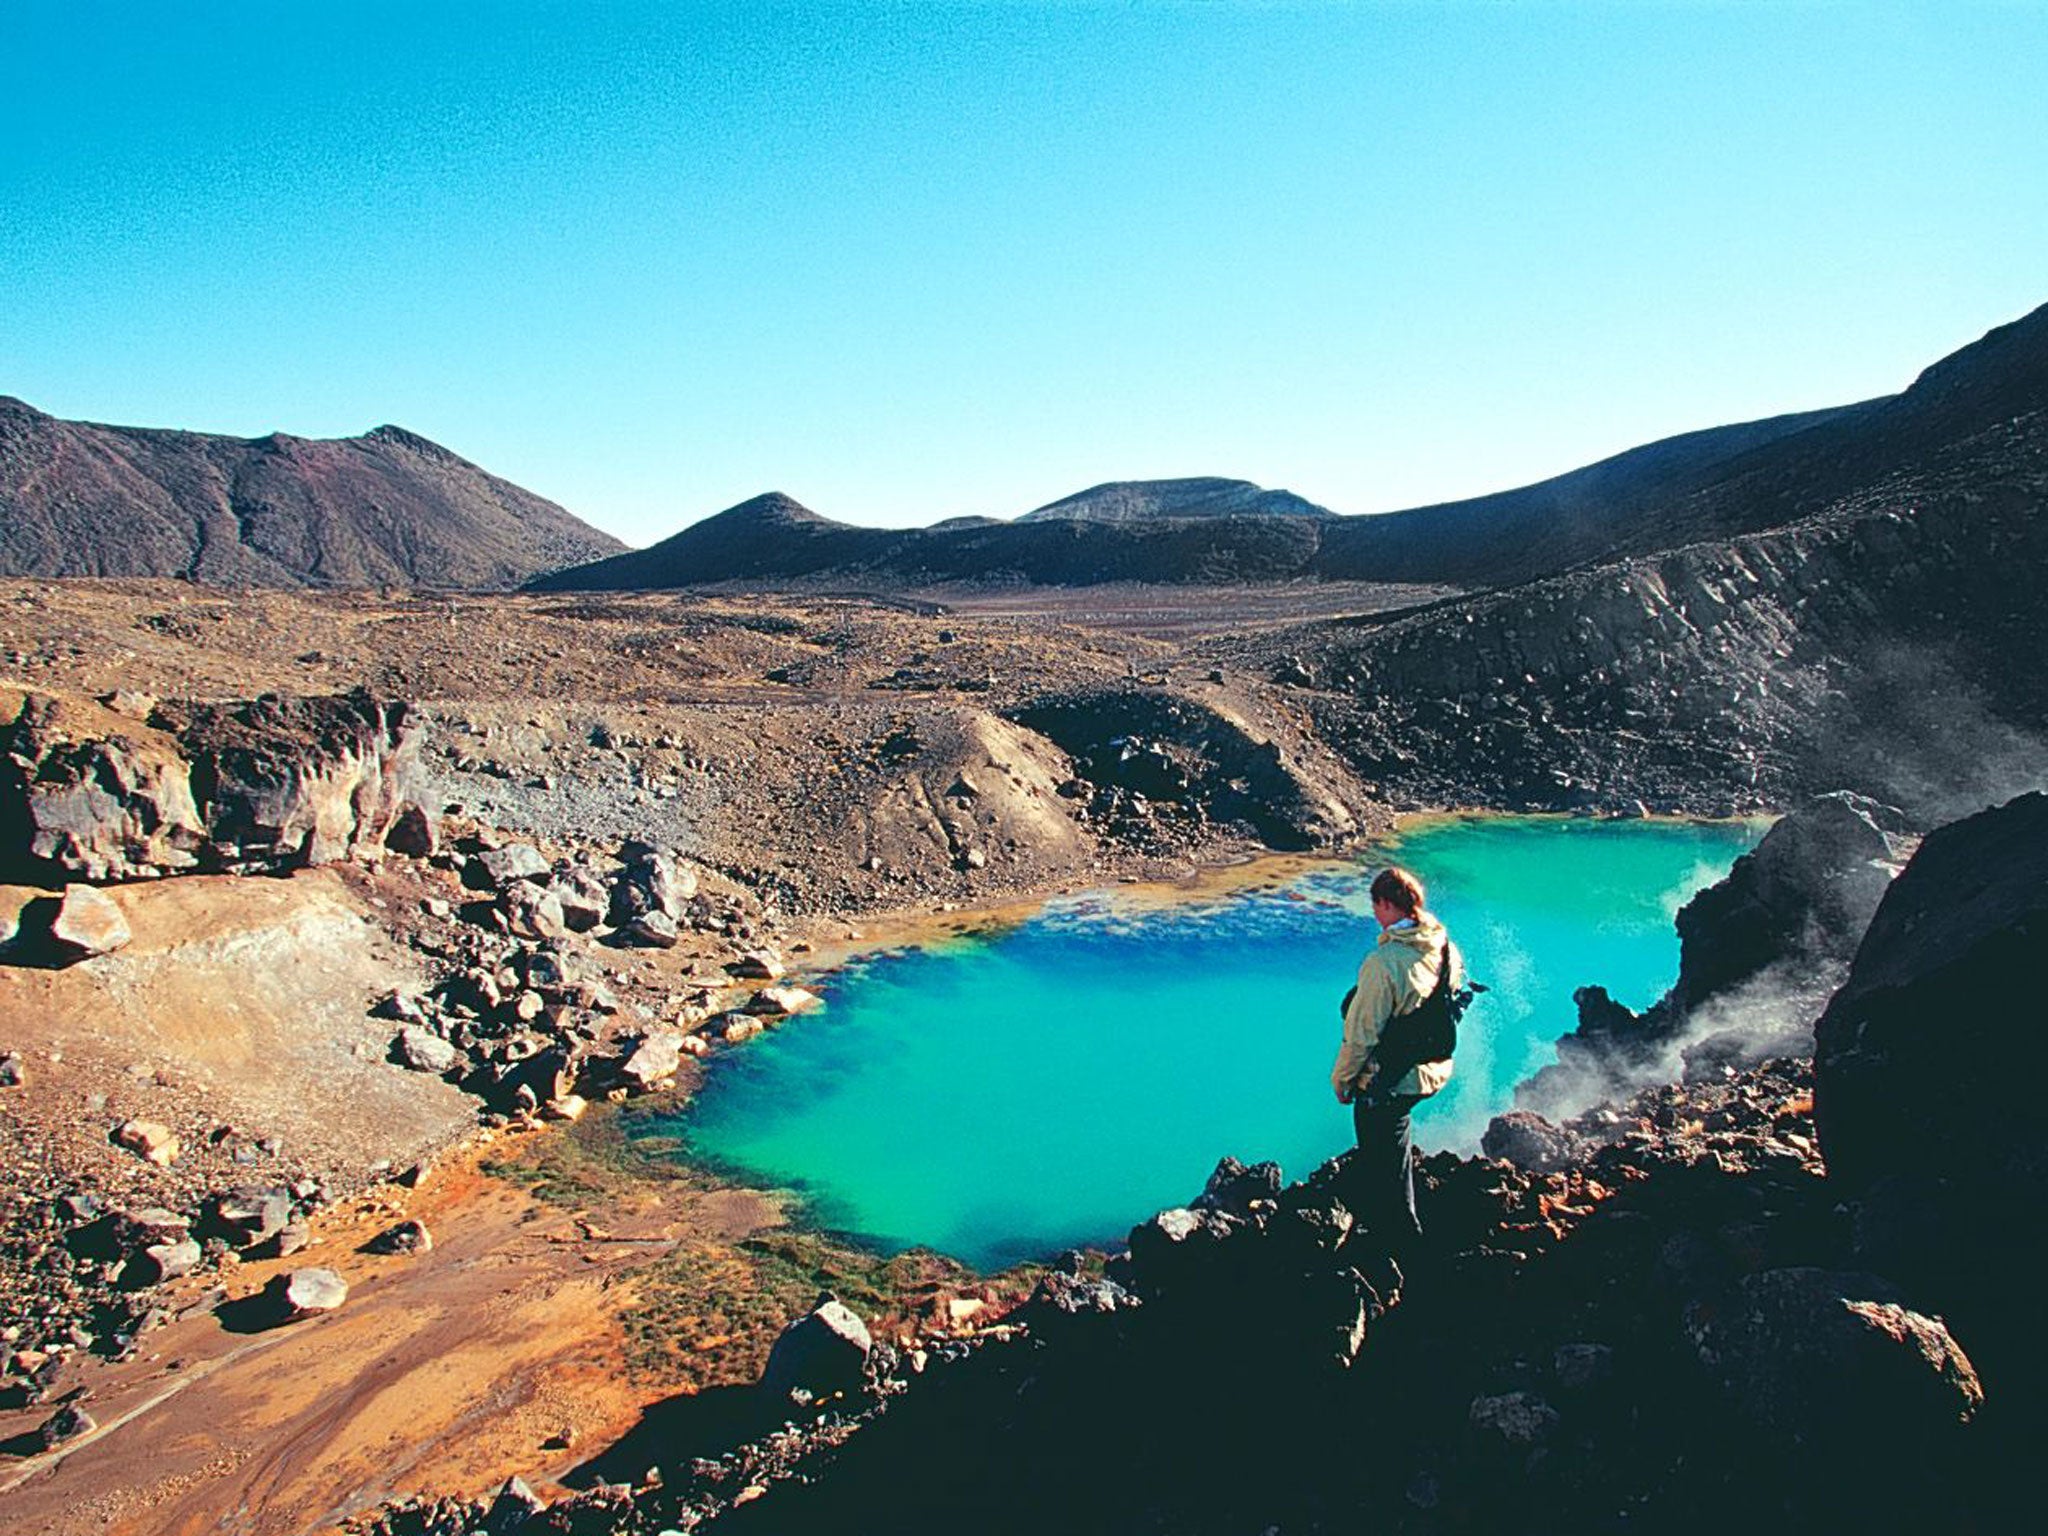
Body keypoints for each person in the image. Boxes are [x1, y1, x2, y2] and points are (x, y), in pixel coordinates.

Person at [1331, 865, 1460, 1253]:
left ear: (1387, 904)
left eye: (1376, 905)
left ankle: (1401, 1244)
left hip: (1391, 1079)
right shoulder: (1445, 947)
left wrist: (1342, 1080)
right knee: (1395, 1147)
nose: (1373, 913)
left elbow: (1361, 1035)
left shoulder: (1384, 963)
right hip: (1431, 1069)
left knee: (1380, 1157)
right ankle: (1399, 1229)